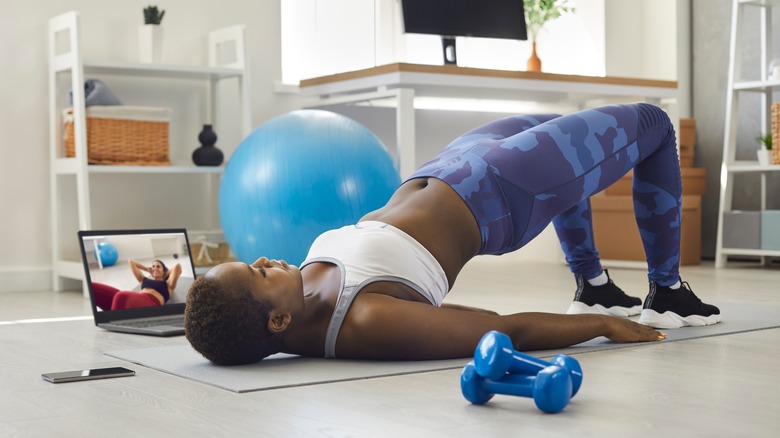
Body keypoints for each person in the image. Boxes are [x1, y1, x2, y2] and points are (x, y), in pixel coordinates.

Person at [185, 103, 720, 366]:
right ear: (277, 320)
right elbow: (503, 328)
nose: (261, 258)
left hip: (451, 165)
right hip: (506, 190)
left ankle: (593, 281)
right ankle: (667, 290)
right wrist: (603, 327)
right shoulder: (367, 320)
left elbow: (221, 314)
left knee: (568, 126)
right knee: (653, 125)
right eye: (256, 273)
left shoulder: (295, 298)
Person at [93, 259, 182, 310]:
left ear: (164, 270)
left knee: (121, 296)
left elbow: (177, 266)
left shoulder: (168, 284)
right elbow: (131, 262)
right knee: (93, 287)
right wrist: (147, 269)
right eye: (153, 266)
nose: (154, 268)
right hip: (135, 300)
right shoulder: (144, 279)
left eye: (158, 266)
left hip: (152, 303)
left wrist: (166, 273)